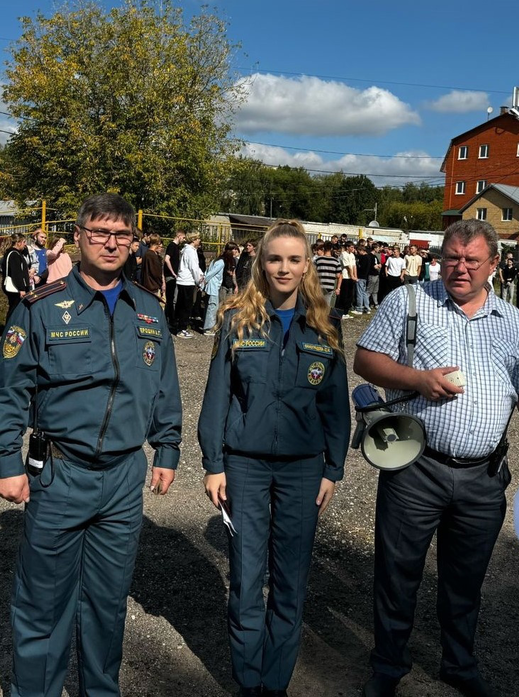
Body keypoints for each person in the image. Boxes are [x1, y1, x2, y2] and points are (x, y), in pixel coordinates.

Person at [354, 220, 519, 697]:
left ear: (494, 264)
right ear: (440, 257)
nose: (460, 268)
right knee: (397, 573)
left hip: (483, 477)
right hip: (416, 467)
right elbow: (366, 361)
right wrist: (418, 379)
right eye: (452, 257)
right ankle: (388, 665)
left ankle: (458, 663)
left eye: (472, 260)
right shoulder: (408, 302)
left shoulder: (515, 324)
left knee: (465, 579)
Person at [0, 192, 182, 697]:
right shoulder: (43, 308)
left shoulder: (148, 309)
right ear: (79, 236)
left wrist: (167, 447)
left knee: (107, 602)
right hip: (60, 473)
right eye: (99, 233)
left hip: (123, 479)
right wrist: (6, 461)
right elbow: (9, 389)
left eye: (121, 234)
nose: (111, 243)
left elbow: (163, 384)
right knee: (44, 603)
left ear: (133, 241)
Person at [198, 219, 349, 697]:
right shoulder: (236, 319)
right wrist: (214, 462)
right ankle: (248, 681)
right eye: (274, 258)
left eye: (293, 259)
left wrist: (333, 468)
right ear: (260, 263)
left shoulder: (325, 325)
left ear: (307, 266)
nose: (283, 268)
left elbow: (335, 404)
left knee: (291, 578)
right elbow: (217, 397)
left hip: (304, 469)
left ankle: (275, 683)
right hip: (244, 465)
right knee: (245, 576)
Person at [175, 232, 204, 338]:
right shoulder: (190, 252)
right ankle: (182, 328)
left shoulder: (187, 250)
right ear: (193, 240)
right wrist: (199, 280)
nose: (199, 241)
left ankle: (179, 326)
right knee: (186, 306)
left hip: (183, 280)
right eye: (198, 239)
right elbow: (193, 268)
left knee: (182, 304)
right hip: (187, 281)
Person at [1, 233, 31, 318]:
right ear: (18, 242)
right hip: (15, 288)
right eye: (24, 242)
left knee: (15, 308)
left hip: (17, 287)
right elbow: (16, 273)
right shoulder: (14, 254)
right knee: (14, 309)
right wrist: (21, 289)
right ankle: (10, 328)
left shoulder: (14, 253)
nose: (25, 245)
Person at [163, 230, 185, 330]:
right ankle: (168, 320)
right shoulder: (172, 246)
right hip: (171, 276)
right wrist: (172, 272)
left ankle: (171, 319)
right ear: (179, 236)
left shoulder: (177, 247)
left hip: (174, 276)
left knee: (172, 299)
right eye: (183, 237)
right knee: (170, 299)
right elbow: (167, 259)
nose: (184, 240)